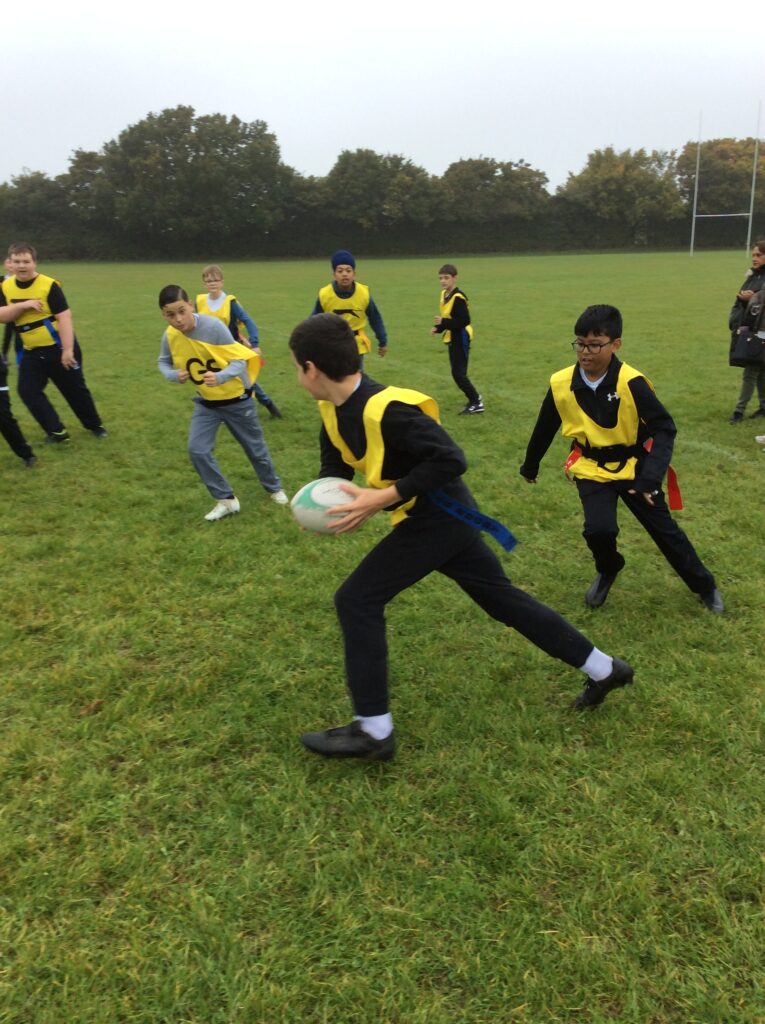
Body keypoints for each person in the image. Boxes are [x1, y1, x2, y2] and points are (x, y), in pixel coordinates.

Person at [289, 313, 635, 762]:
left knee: (357, 599)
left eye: (297, 367)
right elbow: (335, 468)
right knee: (503, 600)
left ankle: (374, 731)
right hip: (434, 518)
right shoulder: (332, 410)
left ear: (312, 369)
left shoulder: (389, 409)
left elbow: (451, 459)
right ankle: (606, 669)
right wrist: (322, 506)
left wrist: (381, 498)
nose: (297, 376)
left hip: (441, 518)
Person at [520, 304, 723, 614]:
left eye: (595, 344)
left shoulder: (631, 382)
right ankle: (608, 567)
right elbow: (546, 424)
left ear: (615, 345)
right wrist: (531, 464)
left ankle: (705, 586)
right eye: (580, 343)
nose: (585, 352)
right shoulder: (561, 382)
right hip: (591, 467)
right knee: (599, 530)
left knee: (666, 533)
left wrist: (649, 478)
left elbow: (665, 428)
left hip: (636, 468)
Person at [157, 285, 288, 521]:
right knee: (197, 450)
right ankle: (226, 500)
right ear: (163, 315)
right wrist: (172, 375)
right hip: (206, 403)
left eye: (181, 311)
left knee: (255, 450)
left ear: (191, 306)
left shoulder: (213, 327)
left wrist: (221, 376)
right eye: (170, 314)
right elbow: (163, 362)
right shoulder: (170, 335)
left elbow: (239, 360)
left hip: (237, 400)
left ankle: (274, 488)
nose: (177, 319)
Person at [0, 242, 107, 443]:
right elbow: (2, 316)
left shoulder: (49, 285)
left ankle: (95, 425)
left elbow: (65, 317)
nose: (22, 266)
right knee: (27, 391)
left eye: (26, 261)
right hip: (31, 351)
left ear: (34, 262)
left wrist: (67, 350)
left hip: (58, 348)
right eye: (17, 261)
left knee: (74, 390)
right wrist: (24, 305)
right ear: (10, 264)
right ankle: (56, 431)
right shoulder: (5, 286)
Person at [196, 265, 282, 419]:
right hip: (210, 352)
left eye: (215, 280)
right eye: (208, 281)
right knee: (214, 381)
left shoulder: (229, 302)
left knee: (246, 382)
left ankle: (269, 405)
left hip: (231, 350)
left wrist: (254, 344)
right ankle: (219, 413)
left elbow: (249, 322)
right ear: (204, 284)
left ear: (222, 282)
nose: (212, 283)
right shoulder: (200, 301)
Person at [312, 250, 388, 362]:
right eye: (340, 271)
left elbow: (375, 318)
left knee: (355, 378)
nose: (344, 274)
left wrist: (383, 341)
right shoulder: (325, 294)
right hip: (332, 344)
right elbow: (314, 321)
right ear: (334, 274)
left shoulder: (363, 293)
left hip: (356, 345)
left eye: (348, 270)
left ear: (354, 274)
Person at [431, 263, 483, 414]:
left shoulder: (459, 298)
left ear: (455, 278)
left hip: (461, 336)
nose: (443, 281)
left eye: (446, 278)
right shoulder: (444, 295)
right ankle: (474, 399)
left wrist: (443, 323)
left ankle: (476, 401)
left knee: (458, 373)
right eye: (440, 278)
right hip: (452, 335)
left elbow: (464, 321)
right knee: (458, 373)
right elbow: (448, 318)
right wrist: (438, 328)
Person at [728, 240, 765, 423]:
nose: (755, 258)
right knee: (760, 370)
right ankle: (763, 407)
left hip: (762, 332)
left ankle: (738, 411)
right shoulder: (751, 277)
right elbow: (739, 304)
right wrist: (735, 322)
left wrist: (754, 298)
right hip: (749, 330)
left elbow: (760, 303)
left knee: (751, 371)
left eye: (759, 255)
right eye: (753, 255)